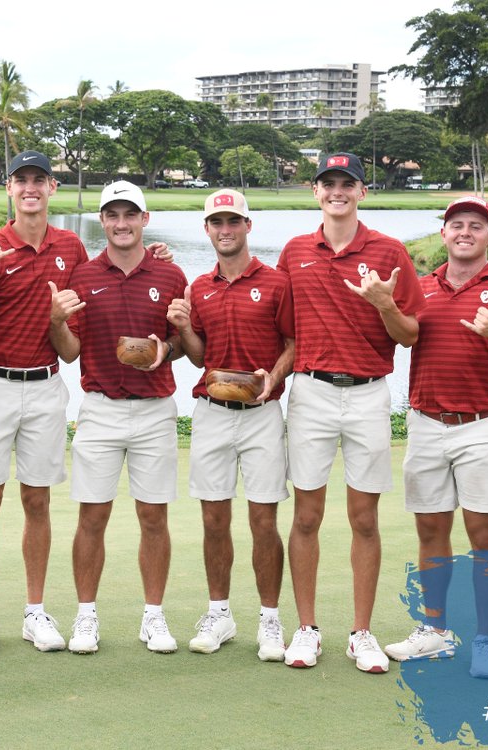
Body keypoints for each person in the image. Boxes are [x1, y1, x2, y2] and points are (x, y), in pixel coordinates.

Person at [0, 151, 170, 654]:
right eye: (21, 180)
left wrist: (157, 257)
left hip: (46, 384)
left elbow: (106, 272)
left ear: (52, 187)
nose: (30, 188)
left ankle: (35, 610)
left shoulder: (70, 246)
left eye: (39, 179)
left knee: (38, 500)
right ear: (10, 188)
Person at [276, 153, 426, 672]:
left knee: (364, 518)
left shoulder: (389, 251)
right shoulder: (295, 251)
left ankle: (361, 633)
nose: (337, 191)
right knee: (306, 515)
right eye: (328, 183)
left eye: (347, 183)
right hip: (311, 391)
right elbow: (284, 329)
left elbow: (410, 334)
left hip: (368, 394)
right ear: (315, 191)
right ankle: (307, 629)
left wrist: (385, 302)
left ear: (362, 191)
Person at [382, 197, 488, 679]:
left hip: (484, 425)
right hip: (427, 424)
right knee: (431, 531)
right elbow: (401, 336)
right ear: (444, 234)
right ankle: (435, 631)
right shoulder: (422, 287)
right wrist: (384, 303)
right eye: (456, 224)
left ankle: (486, 640)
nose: (465, 232)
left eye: (476, 225)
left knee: (484, 533)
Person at [48, 181, 188, 654]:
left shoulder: (171, 274)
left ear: (144, 219)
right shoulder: (84, 275)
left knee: (153, 516)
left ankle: (154, 617)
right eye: (113, 215)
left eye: (130, 214)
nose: (121, 223)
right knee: (92, 516)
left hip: (155, 410)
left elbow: (183, 341)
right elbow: (70, 352)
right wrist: (55, 321)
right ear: (103, 221)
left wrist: (166, 349)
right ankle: (86, 616)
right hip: (100, 408)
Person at [165, 189, 296, 661]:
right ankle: (219, 614)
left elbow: (293, 343)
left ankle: (270, 620)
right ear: (207, 230)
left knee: (263, 520)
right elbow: (199, 356)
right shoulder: (199, 287)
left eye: (233, 221)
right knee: (213, 519)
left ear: (247, 226)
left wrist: (273, 377)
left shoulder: (277, 283)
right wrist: (184, 328)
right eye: (217, 223)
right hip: (212, 414)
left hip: (262, 415)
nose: (225, 230)